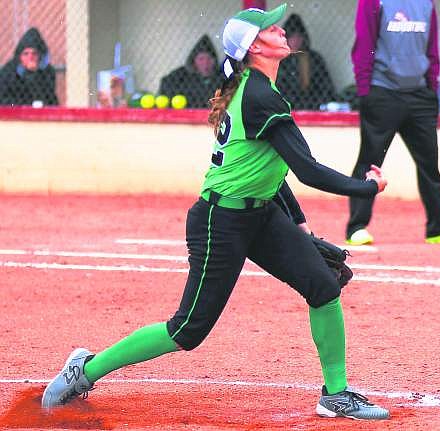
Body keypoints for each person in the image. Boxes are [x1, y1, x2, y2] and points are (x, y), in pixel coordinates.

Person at [42, 3, 390, 421]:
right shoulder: (259, 94)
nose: (280, 30)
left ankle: (336, 394)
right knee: (188, 329)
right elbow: (307, 169)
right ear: (254, 47)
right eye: (269, 29)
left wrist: (296, 221)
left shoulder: (255, 86)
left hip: (259, 215)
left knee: (322, 286)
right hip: (219, 221)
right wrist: (367, 187)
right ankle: (86, 369)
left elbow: (271, 170)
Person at [345, 0, 440, 245]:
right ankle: (356, 227)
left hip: (420, 94)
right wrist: (365, 90)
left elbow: (432, 49)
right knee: (370, 161)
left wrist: (431, 86)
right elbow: (364, 45)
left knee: (429, 163)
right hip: (382, 91)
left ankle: (438, 226)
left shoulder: (426, 3)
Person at [275, 13, 336, 110]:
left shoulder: (315, 58)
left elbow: (326, 87)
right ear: (286, 38)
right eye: (292, 37)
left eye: (298, 36)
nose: (295, 41)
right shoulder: (280, 60)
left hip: (315, 105)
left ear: (303, 38)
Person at [158, 34, 223, 109]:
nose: (205, 63)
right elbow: (166, 82)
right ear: (194, 61)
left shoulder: (221, 76)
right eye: (201, 59)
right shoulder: (181, 75)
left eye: (209, 58)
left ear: (215, 61)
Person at [0, 27, 58, 107]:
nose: (30, 57)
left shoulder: (48, 72)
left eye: (34, 53)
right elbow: (5, 100)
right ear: (19, 56)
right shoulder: (8, 72)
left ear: (39, 56)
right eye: (26, 54)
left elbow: (49, 99)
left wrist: (34, 75)